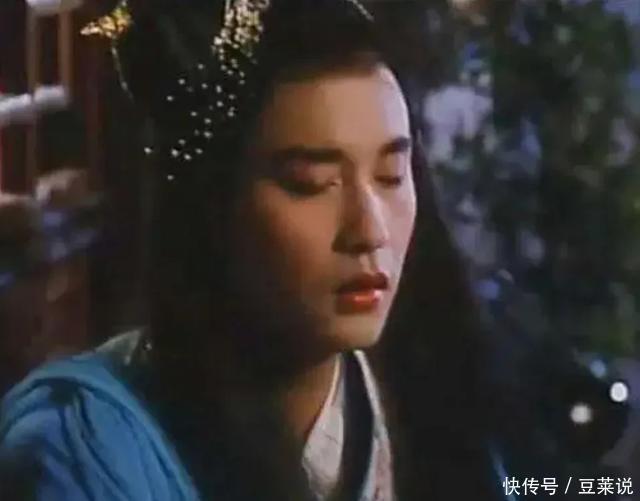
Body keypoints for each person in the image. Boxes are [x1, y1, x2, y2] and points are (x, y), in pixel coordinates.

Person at [0, 0, 565, 500]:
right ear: (212, 207)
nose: (370, 230)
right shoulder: (83, 450)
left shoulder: (428, 409)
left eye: (392, 175)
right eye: (311, 183)